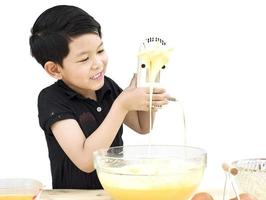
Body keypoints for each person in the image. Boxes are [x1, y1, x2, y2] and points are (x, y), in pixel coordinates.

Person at [29, 5, 169, 189]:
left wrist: (147, 86)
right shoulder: (51, 99)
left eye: (100, 51)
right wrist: (121, 105)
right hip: (74, 196)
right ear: (55, 69)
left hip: (114, 192)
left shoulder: (108, 87)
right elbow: (86, 161)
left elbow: (143, 126)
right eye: (84, 59)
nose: (98, 64)